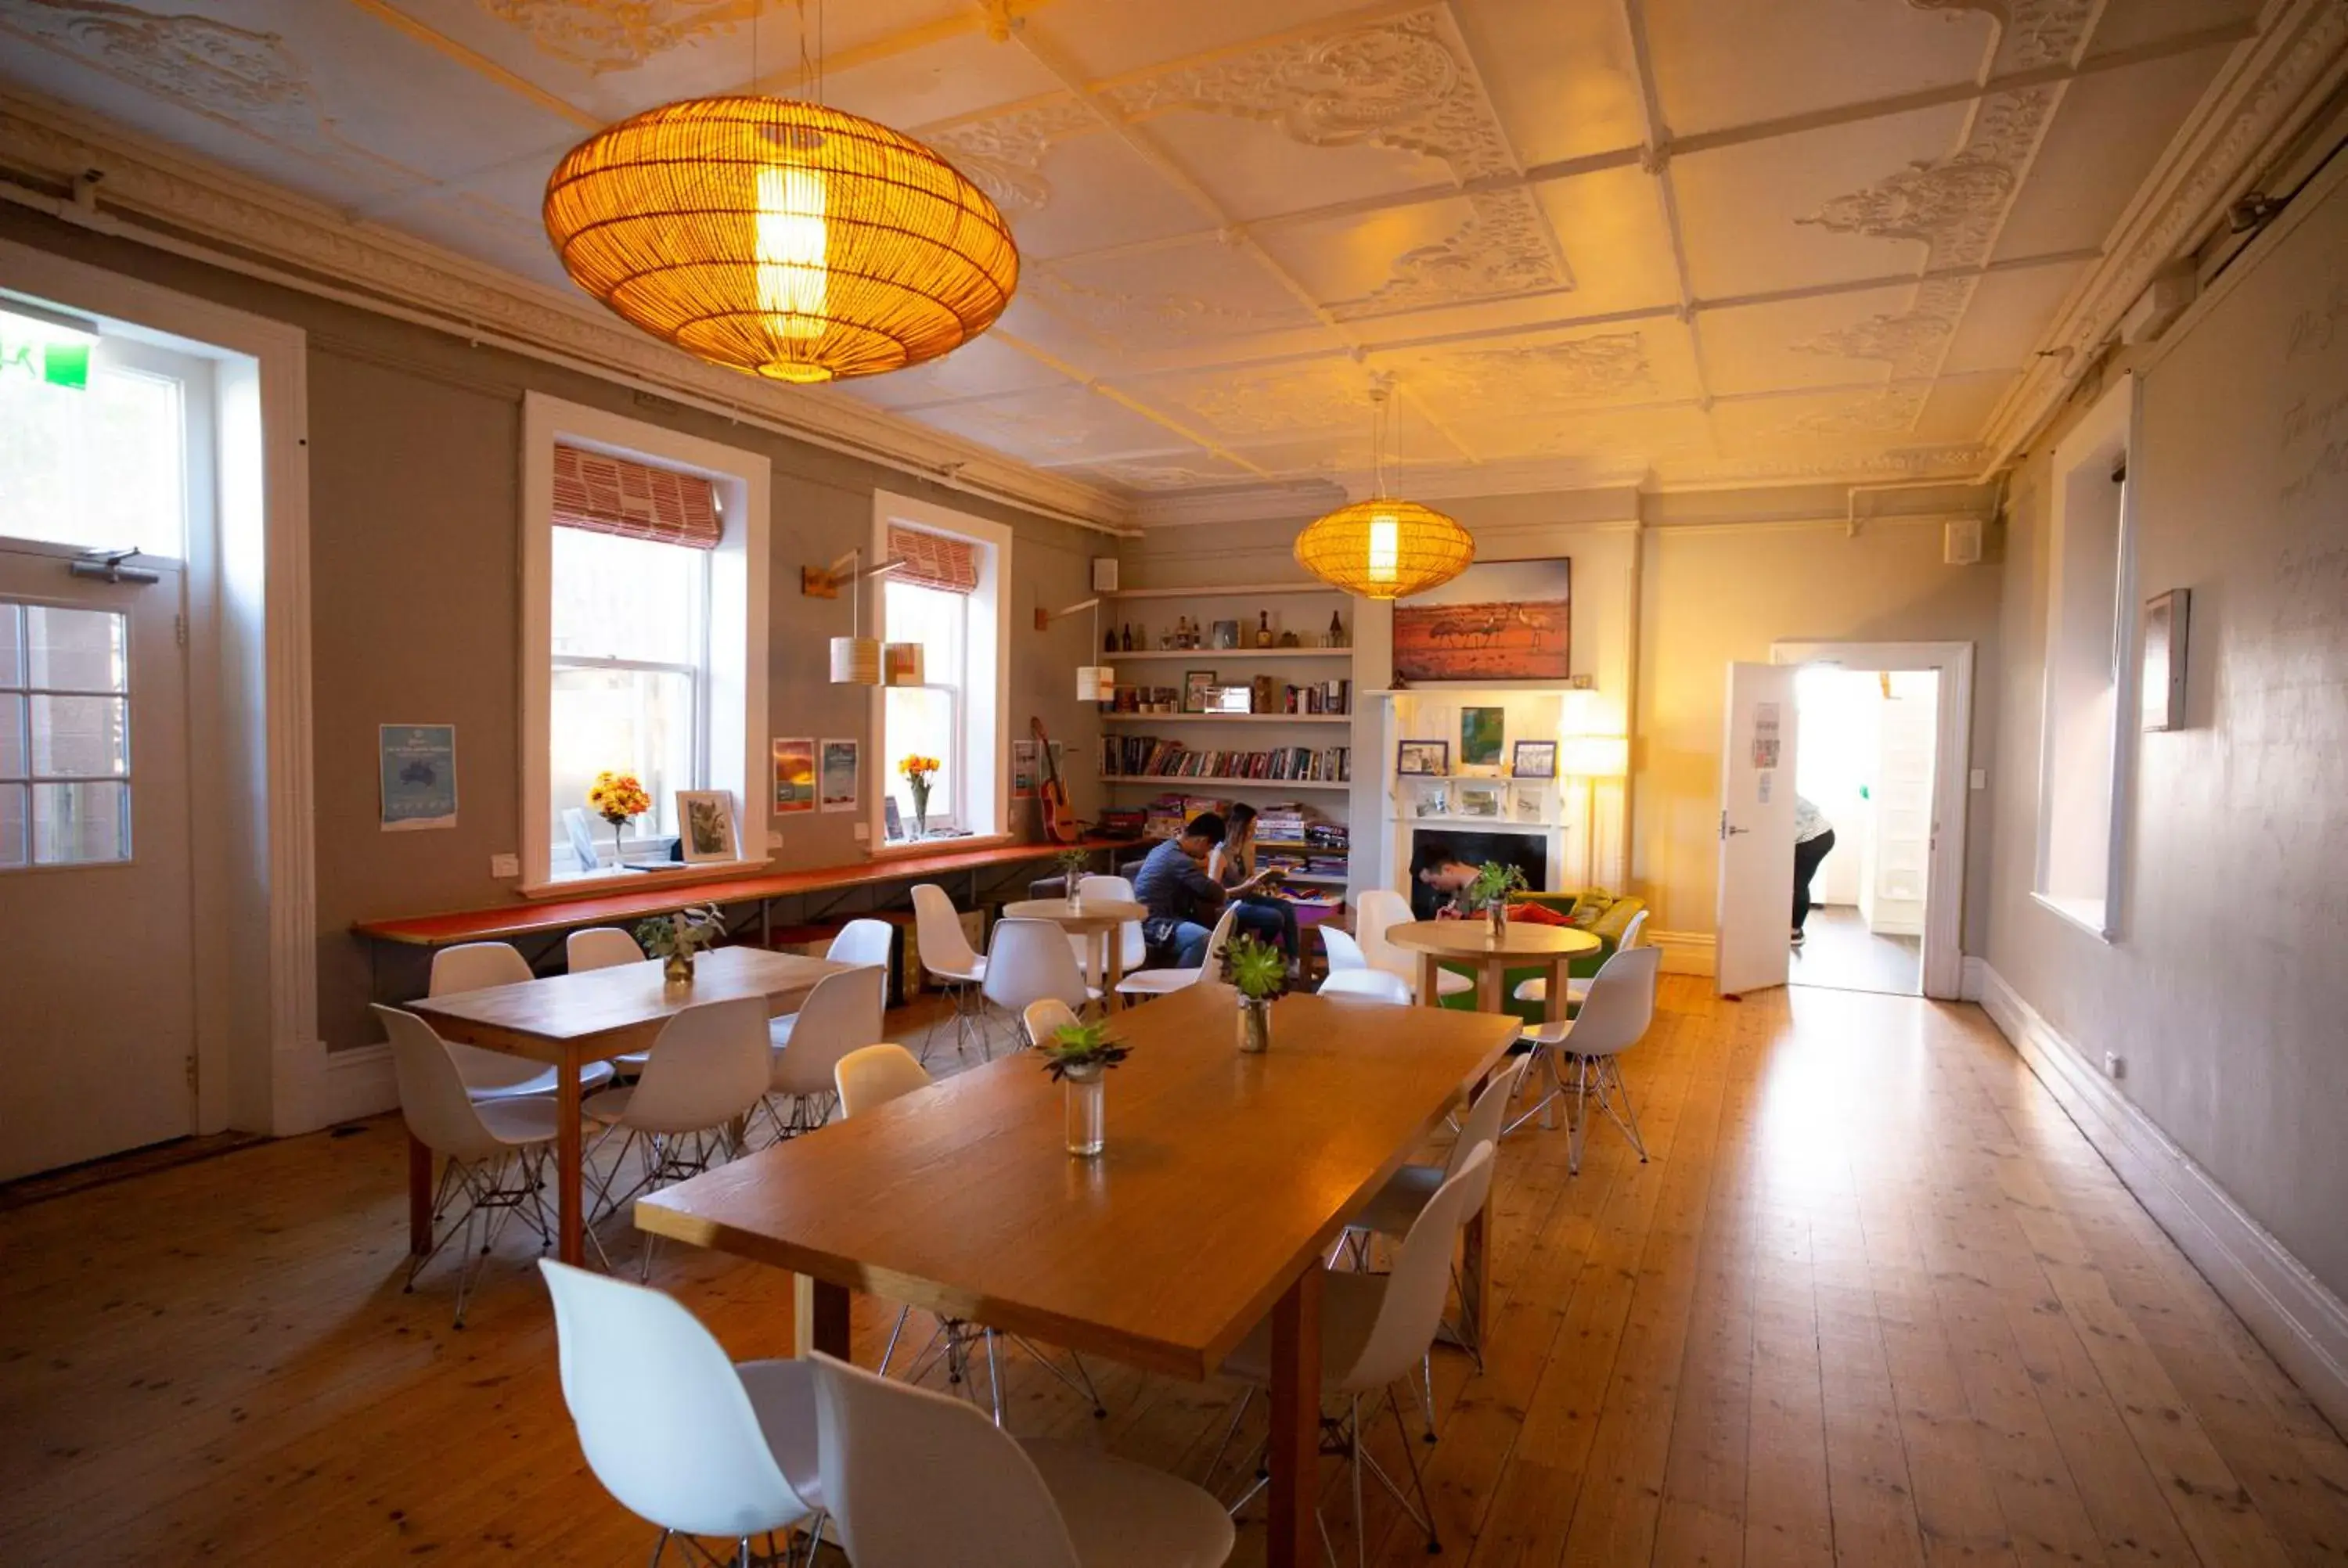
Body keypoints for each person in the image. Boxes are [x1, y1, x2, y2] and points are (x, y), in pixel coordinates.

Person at [1133, 811, 1277, 969]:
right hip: (1153, 923)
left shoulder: (1164, 849)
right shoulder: (1180, 860)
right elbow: (1211, 890)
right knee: (1203, 939)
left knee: (1220, 923)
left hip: (1160, 917)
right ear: (1202, 841)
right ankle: (1183, 989)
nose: (1207, 853)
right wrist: (1234, 891)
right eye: (1210, 847)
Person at [1208, 804, 1297, 962]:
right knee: (1274, 917)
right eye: (1250, 828)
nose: (1253, 832)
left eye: (1255, 827)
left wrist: (1265, 880)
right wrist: (1243, 887)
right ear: (1238, 827)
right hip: (1229, 903)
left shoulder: (1248, 846)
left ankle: (1294, 961)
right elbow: (1212, 893)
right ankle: (1258, 956)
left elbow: (1249, 877)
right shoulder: (1220, 853)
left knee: (1287, 907)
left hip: (1248, 896)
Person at [1792, 794, 1836, 947]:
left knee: (1798, 884)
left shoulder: (1779, 790)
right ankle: (1793, 928)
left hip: (1814, 839)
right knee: (1796, 883)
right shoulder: (1780, 786)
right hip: (1819, 836)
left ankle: (1795, 932)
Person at [1409, 840, 1480, 919]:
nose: (1435, 888)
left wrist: (1461, 918)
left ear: (1447, 869)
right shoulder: (1457, 890)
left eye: (1434, 882)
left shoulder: (1488, 888)